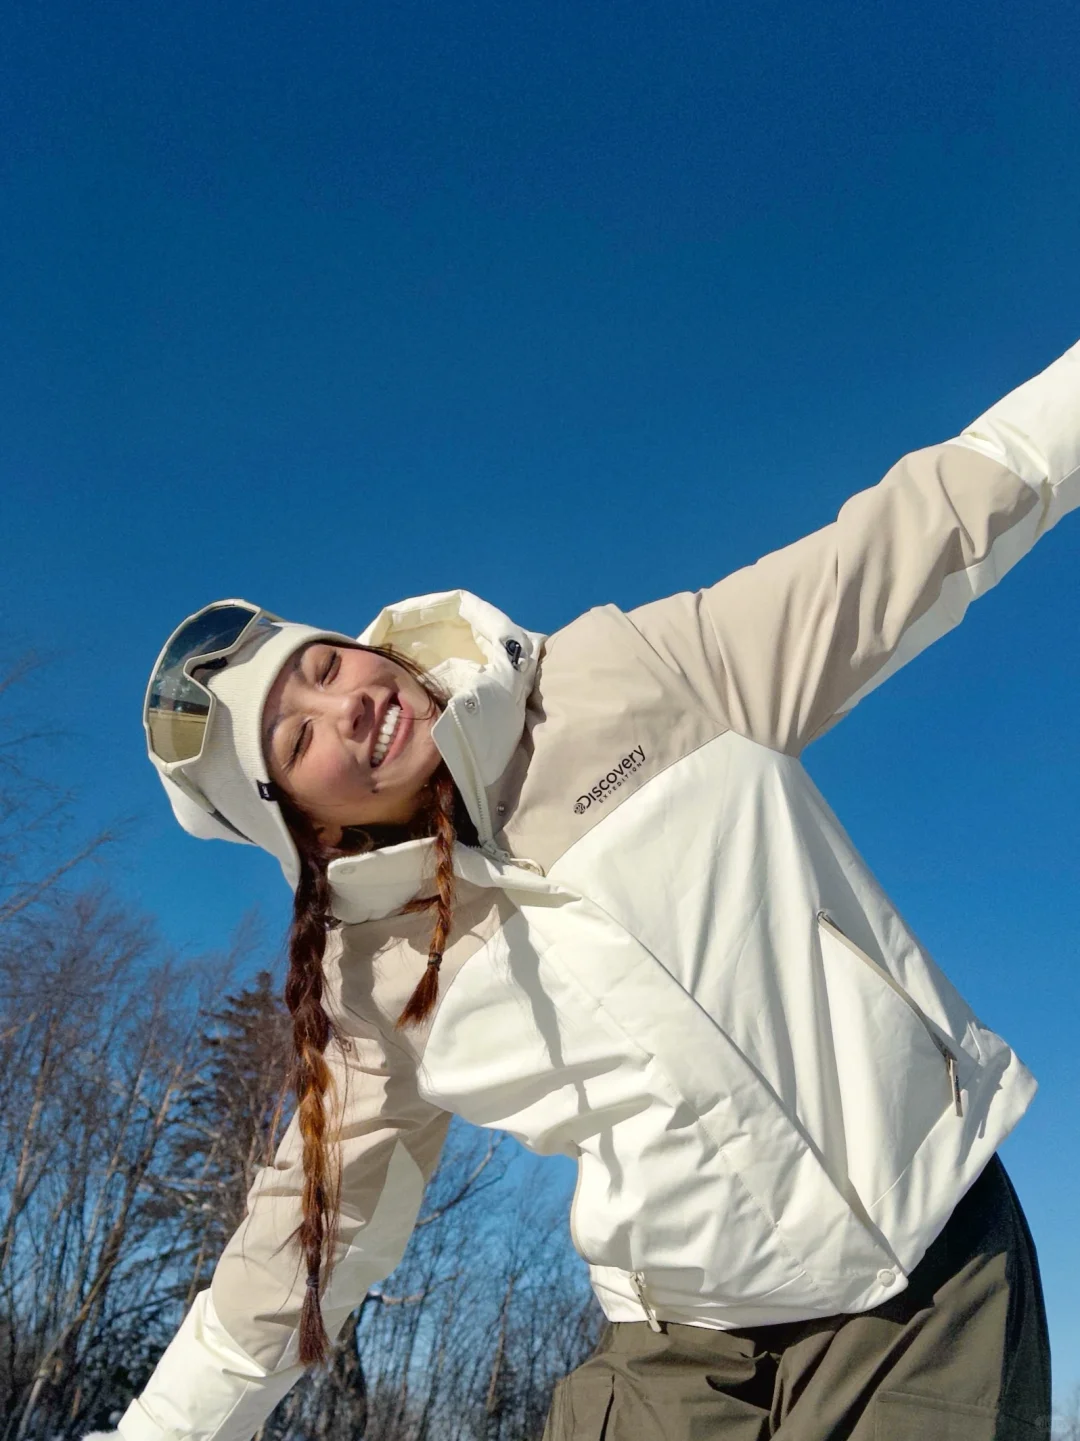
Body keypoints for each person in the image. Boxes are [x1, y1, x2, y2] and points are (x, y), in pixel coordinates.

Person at [93, 341, 1077, 1441]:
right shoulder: (369, 973)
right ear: (295, 819)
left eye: (325, 666)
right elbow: (311, 1236)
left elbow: (907, 537)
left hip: (930, 1280)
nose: (347, 706)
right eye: (298, 735)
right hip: (680, 1355)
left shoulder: (630, 676)